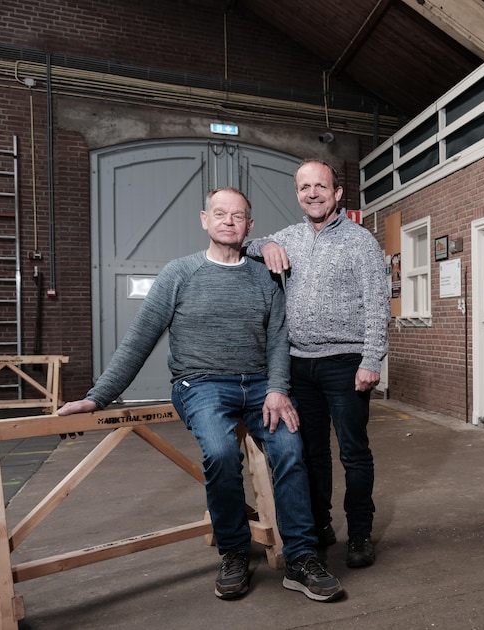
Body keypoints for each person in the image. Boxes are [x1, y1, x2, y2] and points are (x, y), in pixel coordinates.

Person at [57, 188, 344, 603]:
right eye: (220, 214)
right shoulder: (179, 274)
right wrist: (98, 397)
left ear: (250, 225)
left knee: (290, 447)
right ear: (204, 220)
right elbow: (139, 340)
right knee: (221, 453)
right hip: (201, 383)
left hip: (261, 383)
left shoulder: (265, 276)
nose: (229, 221)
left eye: (239, 215)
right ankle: (233, 552)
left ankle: (301, 558)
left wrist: (279, 389)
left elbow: (279, 341)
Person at [247, 159, 391, 569]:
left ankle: (360, 533)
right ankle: (321, 525)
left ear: (338, 193)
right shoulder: (288, 236)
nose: (312, 193)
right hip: (298, 365)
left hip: (346, 363)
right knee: (311, 453)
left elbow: (378, 304)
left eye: (320, 186)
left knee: (353, 452)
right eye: (304, 187)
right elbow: (244, 245)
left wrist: (370, 359)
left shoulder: (360, 241)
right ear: (297, 193)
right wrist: (266, 245)